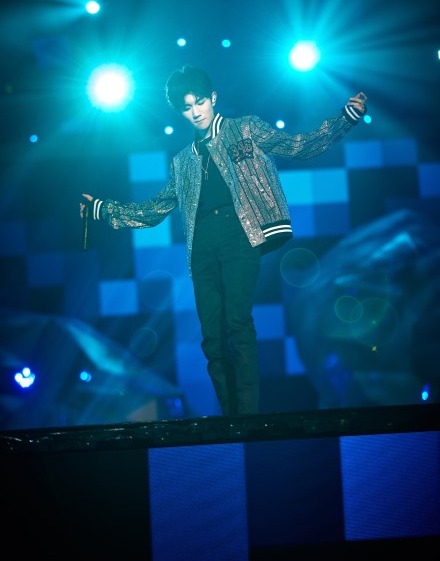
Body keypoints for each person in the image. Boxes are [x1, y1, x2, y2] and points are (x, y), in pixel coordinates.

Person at [80, 65, 367, 417]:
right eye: (187, 107)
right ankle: (230, 417)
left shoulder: (244, 128)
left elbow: (298, 146)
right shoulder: (182, 162)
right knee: (212, 338)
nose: (195, 112)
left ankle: (246, 415)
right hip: (201, 245)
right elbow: (154, 209)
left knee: (238, 323)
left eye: (199, 102)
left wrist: (345, 119)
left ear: (213, 98)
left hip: (240, 235)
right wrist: (103, 209)